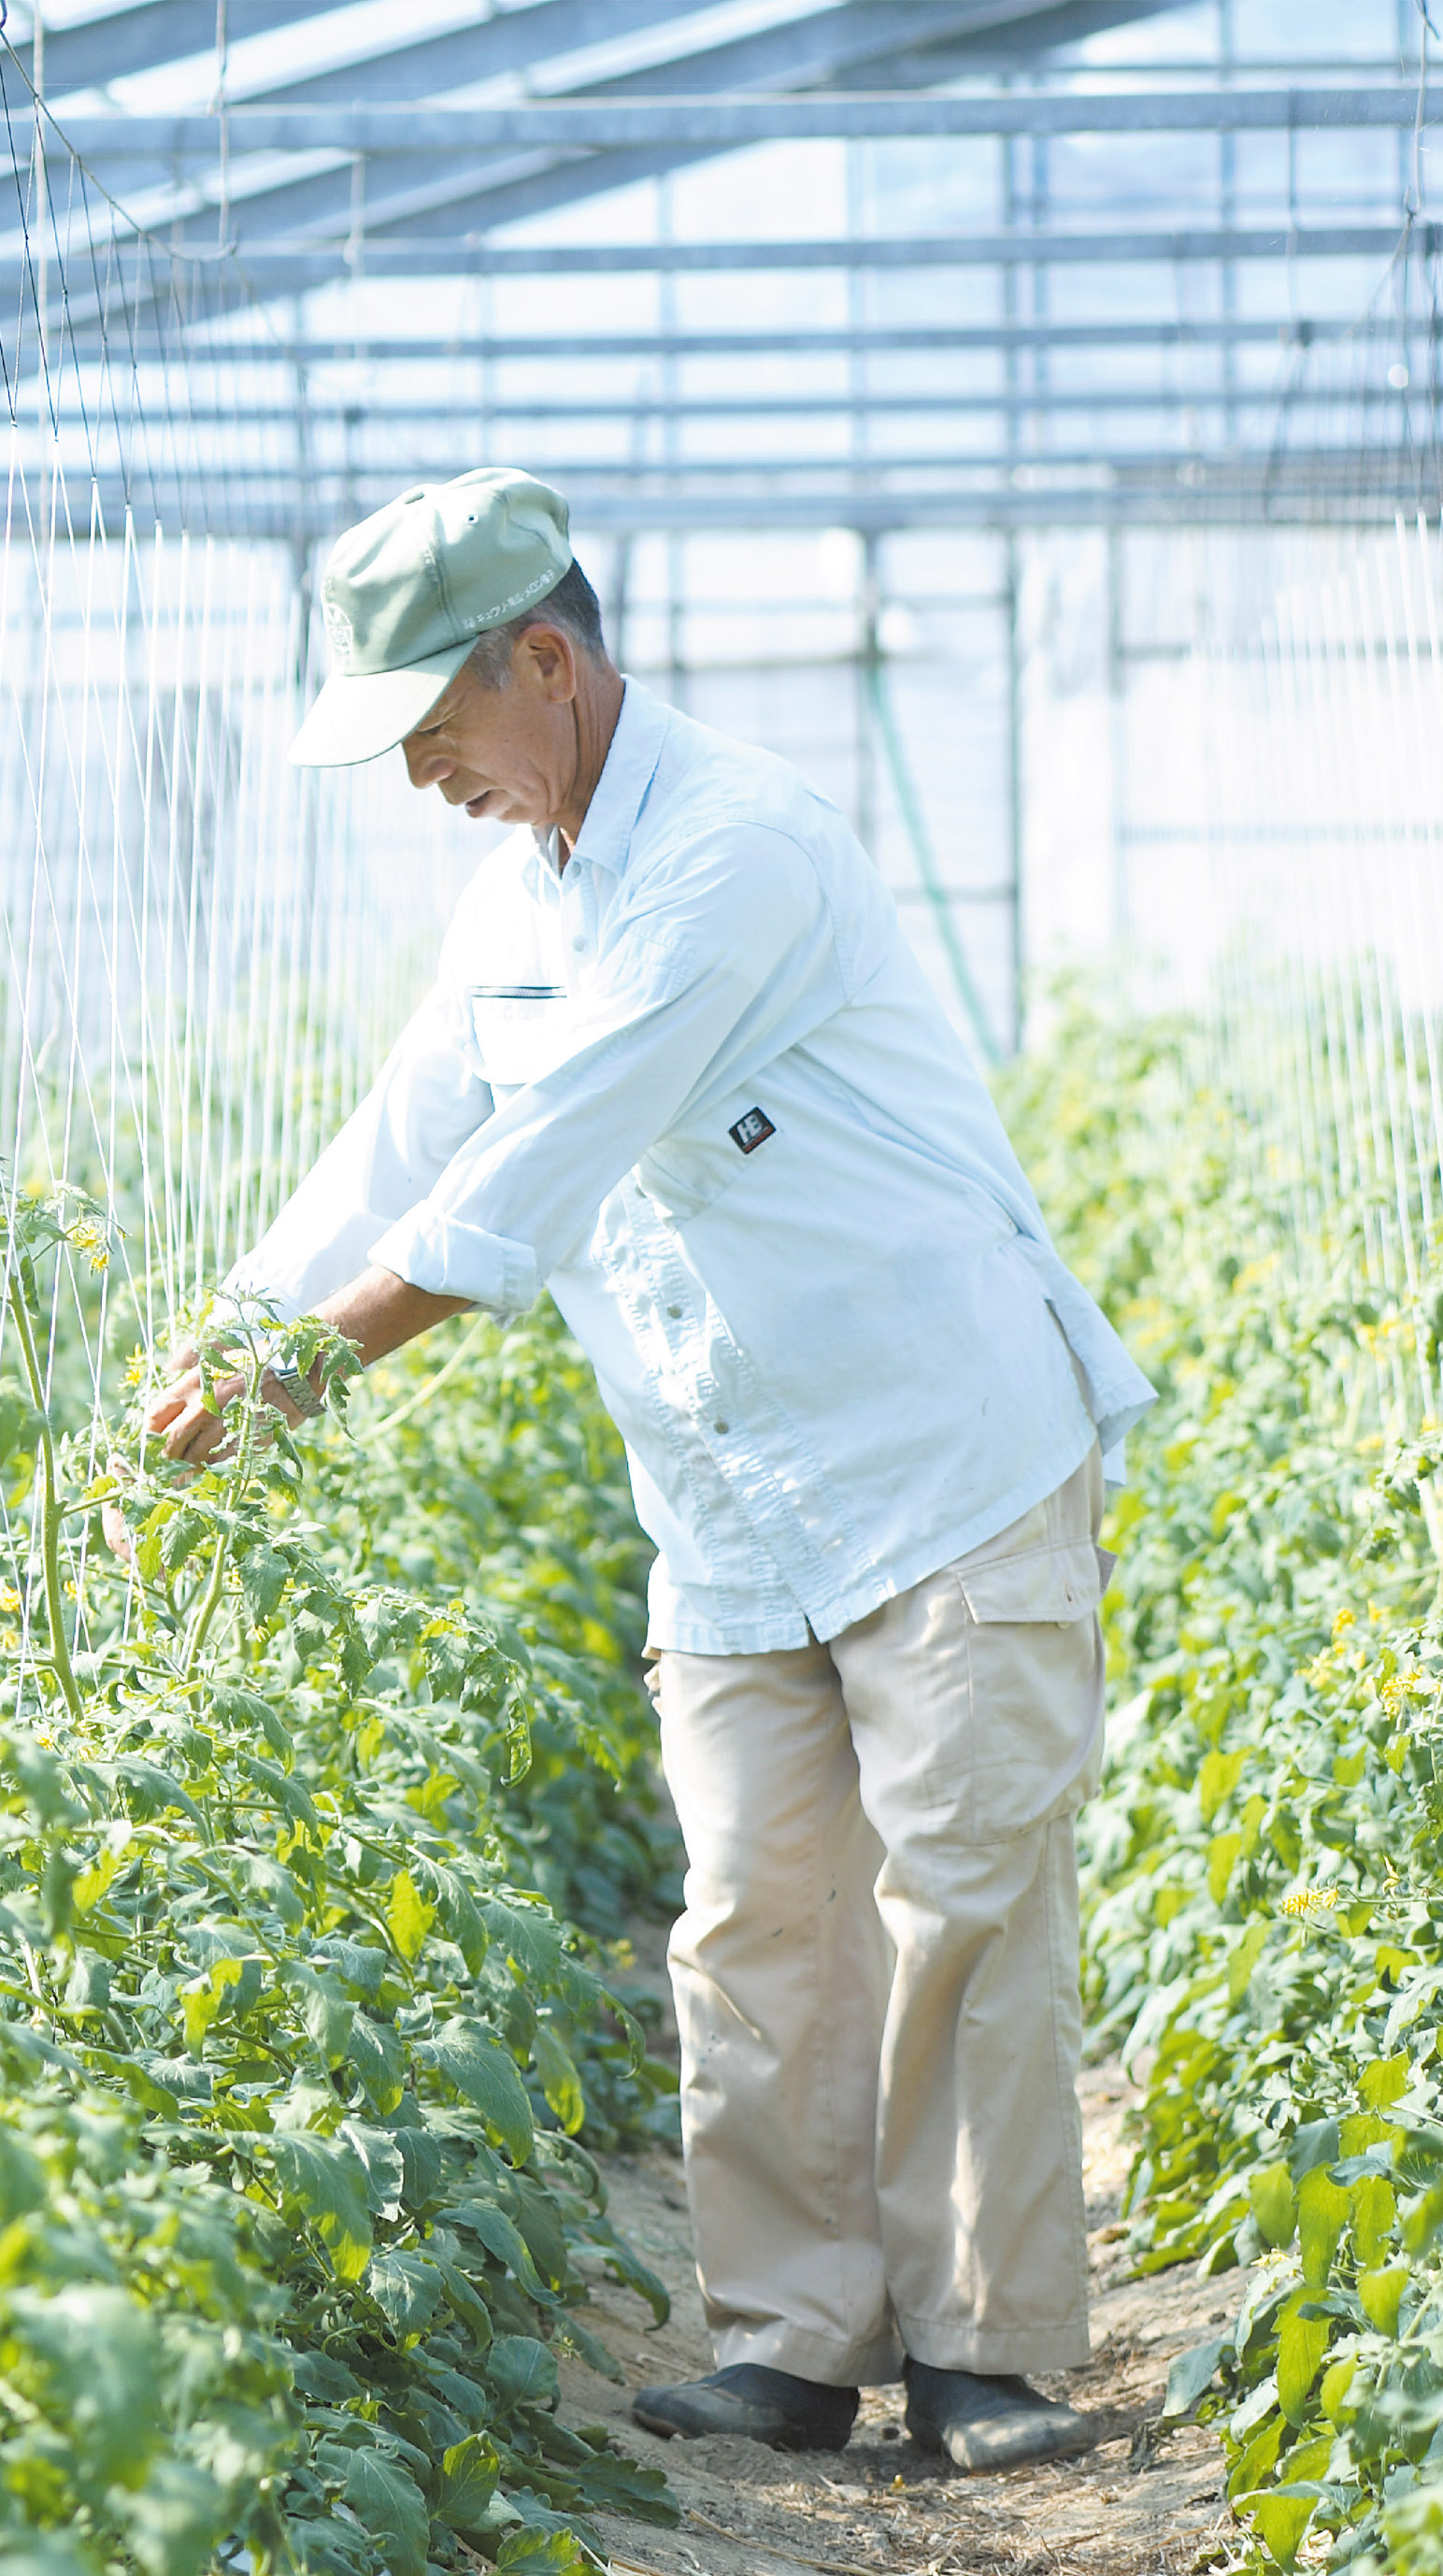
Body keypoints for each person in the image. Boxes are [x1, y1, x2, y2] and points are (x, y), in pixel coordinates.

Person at [142, 470, 1152, 2474]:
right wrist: (227, 1330)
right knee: (750, 1915)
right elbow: (399, 1135)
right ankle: (789, 2341)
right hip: (725, 1486)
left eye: (435, 727)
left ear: (548, 659)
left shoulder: (737, 853)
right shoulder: (511, 896)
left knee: (956, 1889)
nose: (422, 774)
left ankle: (978, 2347)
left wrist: (308, 1370)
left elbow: (536, 1160)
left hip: (934, 1447)